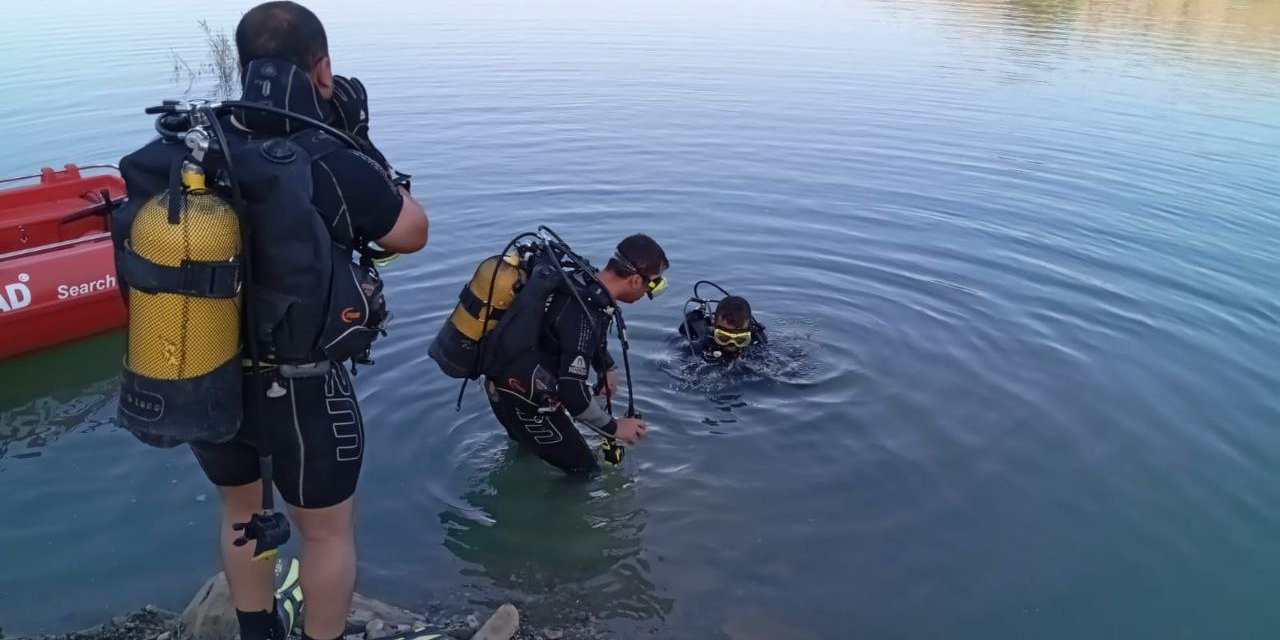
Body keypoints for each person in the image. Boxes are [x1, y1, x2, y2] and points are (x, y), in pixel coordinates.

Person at [187, 4, 428, 640]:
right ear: (321, 68)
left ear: (244, 66)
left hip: (202, 365)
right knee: (324, 531)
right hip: (303, 384)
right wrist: (359, 138)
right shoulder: (324, 156)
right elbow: (411, 232)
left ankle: (257, 631)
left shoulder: (196, 144)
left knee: (241, 508)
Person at [484, 234, 669, 475]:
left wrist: (606, 368)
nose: (648, 293)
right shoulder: (584, 312)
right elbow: (573, 394)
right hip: (524, 402)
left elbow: (568, 335)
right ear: (635, 280)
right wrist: (615, 428)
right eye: (652, 285)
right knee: (585, 471)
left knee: (530, 449)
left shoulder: (580, 281)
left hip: (501, 386)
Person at [679, 293, 767, 362]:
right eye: (723, 337)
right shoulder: (702, 340)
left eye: (740, 339)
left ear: (749, 328)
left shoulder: (757, 341)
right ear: (714, 323)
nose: (731, 344)